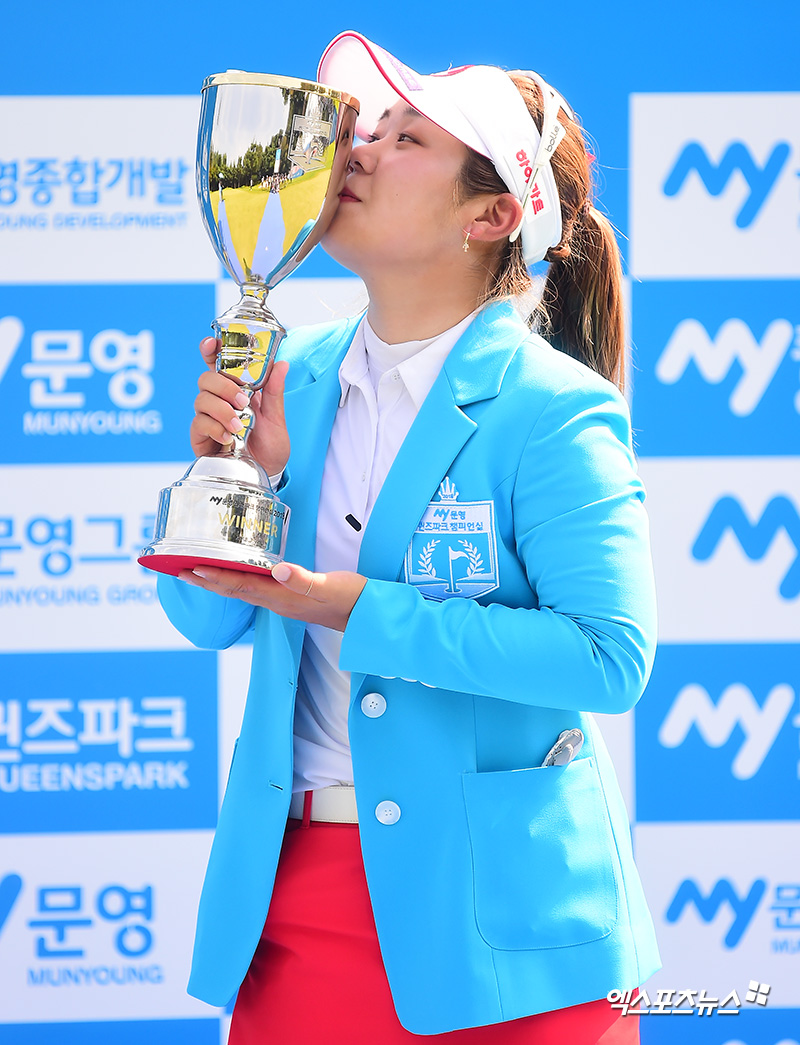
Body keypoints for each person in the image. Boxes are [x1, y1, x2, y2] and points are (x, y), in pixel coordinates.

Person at [158, 30, 660, 1044]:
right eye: (368, 130)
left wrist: (358, 612)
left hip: (507, 931)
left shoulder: (551, 407)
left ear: (491, 215)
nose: (358, 149)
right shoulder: (288, 370)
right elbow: (204, 620)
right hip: (291, 903)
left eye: (405, 139)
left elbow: (608, 658)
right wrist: (233, 481)